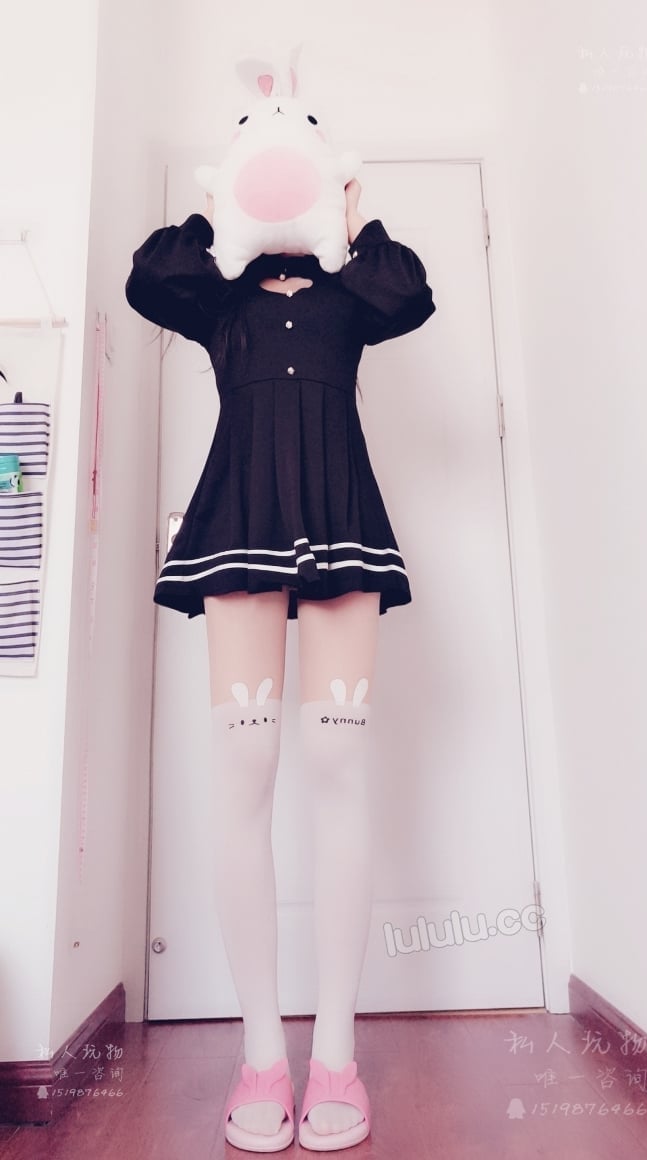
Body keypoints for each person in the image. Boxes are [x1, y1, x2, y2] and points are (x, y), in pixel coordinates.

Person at [125, 178, 435, 1152]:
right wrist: (228, 196)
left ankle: (334, 1053)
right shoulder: (219, 292)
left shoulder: (351, 291)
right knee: (245, 768)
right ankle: (262, 1052)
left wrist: (348, 214)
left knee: (338, 764)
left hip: (341, 516)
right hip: (237, 518)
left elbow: (408, 291)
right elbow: (151, 275)